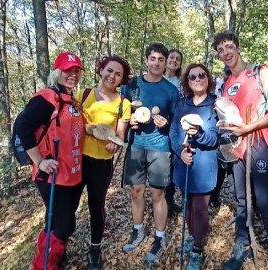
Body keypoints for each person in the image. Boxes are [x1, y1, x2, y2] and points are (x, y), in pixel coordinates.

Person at [212, 31, 268, 270]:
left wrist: (249, 126)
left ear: (238, 47)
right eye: (220, 50)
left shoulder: (262, 74)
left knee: (266, 202)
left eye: (229, 47)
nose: (226, 53)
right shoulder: (227, 83)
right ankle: (242, 243)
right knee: (241, 199)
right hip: (237, 148)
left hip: (260, 144)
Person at [16, 52, 85, 270]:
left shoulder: (72, 99)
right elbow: (22, 128)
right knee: (65, 225)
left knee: (54, 219)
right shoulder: (47, 98)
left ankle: (49, 254)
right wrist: (39, 160)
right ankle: (44, 265)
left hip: (71, 171)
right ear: (57, 73)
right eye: (67, 70)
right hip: (52, 173)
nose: (72, 75)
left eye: (76, 71)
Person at [121, 42, 180, 264]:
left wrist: (166, 123)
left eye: (161, 60)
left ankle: (160, 237)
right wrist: (130, 122)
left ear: (166, 63)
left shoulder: (171, 90)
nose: (156, 63)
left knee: (158, 195)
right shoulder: (132, 85)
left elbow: (175, 122)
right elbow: (122, 115)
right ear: (146, 60)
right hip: (137, 146)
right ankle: (138, 231)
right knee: (136, 191)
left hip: (159, 148)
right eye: (153, 59)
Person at [75, 56, 131, 270]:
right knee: (69, 206)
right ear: (101, 70)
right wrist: (88, 129)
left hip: (102, 164)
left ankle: (94, 250)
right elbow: (72, 125)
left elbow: (120, 135)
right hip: (78, 160)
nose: (112, 76)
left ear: (122, 80)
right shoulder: (83, 95)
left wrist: (115, 144)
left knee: (96, 207)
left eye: (118, 74)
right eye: (109, 70)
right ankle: (57, 246)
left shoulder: (123, 104)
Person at [170, 63, 218, 269]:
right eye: (192, 77)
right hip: (184, 163)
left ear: (208, 78)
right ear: (187, 82)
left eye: (201, 75)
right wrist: (179, 152)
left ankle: (197, 250)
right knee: (187, 203)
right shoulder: (181, 104)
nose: (197, 79)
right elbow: (173, 132)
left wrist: (198, 134)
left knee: (200, 208)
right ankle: (191, 236)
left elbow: (215, 138)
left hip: (204, 164)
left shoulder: (215, 104)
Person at [163, 48, 184, 214]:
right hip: (156, 128)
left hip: (174, 127)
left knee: (172, 164)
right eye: (172, 57)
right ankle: (158, 199)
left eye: (177, 59)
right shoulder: (156, 79)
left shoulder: (181, 84)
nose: (174, 60)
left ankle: (169, 200)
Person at [210, 65, 233, 208]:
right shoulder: (217, 85)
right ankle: (214, 196)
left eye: (231, 72)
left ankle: (242, 198)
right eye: (227, 72)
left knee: (234, 167)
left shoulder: (240, 84)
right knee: (220, 167)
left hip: (237, 130)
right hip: (219, 130)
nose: (229, 75)